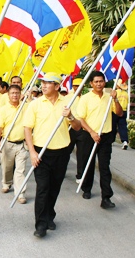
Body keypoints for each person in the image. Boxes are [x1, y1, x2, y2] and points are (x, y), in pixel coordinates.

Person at [23, 72, 81, 238]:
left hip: (62, 151)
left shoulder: (67, 103)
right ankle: (40, 224)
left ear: (57, 86)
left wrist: (70, 116)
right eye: (43, 83)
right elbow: (27, 128)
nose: (44, 85)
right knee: (42, 188)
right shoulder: (35, 104)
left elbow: (77, 127)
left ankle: (49, 215)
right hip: (41, 152)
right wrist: (32, 151)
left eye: (49, 83)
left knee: (54, 187)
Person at [77, 71, 123, 209]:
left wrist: (115, 99)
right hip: (89, 136)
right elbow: (81, 119)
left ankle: (106, 197)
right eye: (96, 81)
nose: (99, 84)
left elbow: (120, 113)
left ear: (104, 82)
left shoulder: (109, 97)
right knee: (88, 164)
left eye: (101, 81)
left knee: (104, 167)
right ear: (91, 83)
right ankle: (87, 188)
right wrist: (92, 132)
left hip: (106, 135)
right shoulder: (85, 98)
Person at [0, 84, 28, 204]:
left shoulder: (26, 107)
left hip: (22, 144)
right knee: (7, 168)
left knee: (20, 170)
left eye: (17, 93)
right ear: (8, 95)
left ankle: (20, 193)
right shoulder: (3, 110)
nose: (15, 95)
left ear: (20, 94)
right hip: (7, 143)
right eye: (12, 93)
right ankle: (6, 183)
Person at [67, 77, 84, 182]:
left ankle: (80, 175)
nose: (77, 87)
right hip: (69, 128)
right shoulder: (67, 97)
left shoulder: (85, 98)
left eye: (79, 85)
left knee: (81, 153)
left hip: (82, 128)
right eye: (75, 85)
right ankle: (61, 169)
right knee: (65, 151)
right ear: (72, 86)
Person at [112, 79, 129, 150]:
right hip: (123, 111)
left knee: (113, 127)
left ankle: (112, 140)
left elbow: (112, 102)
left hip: (115, 111)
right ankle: (125, 141)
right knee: (123, 127)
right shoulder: (126, 94)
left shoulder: (115, 92)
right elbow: (127, 103)